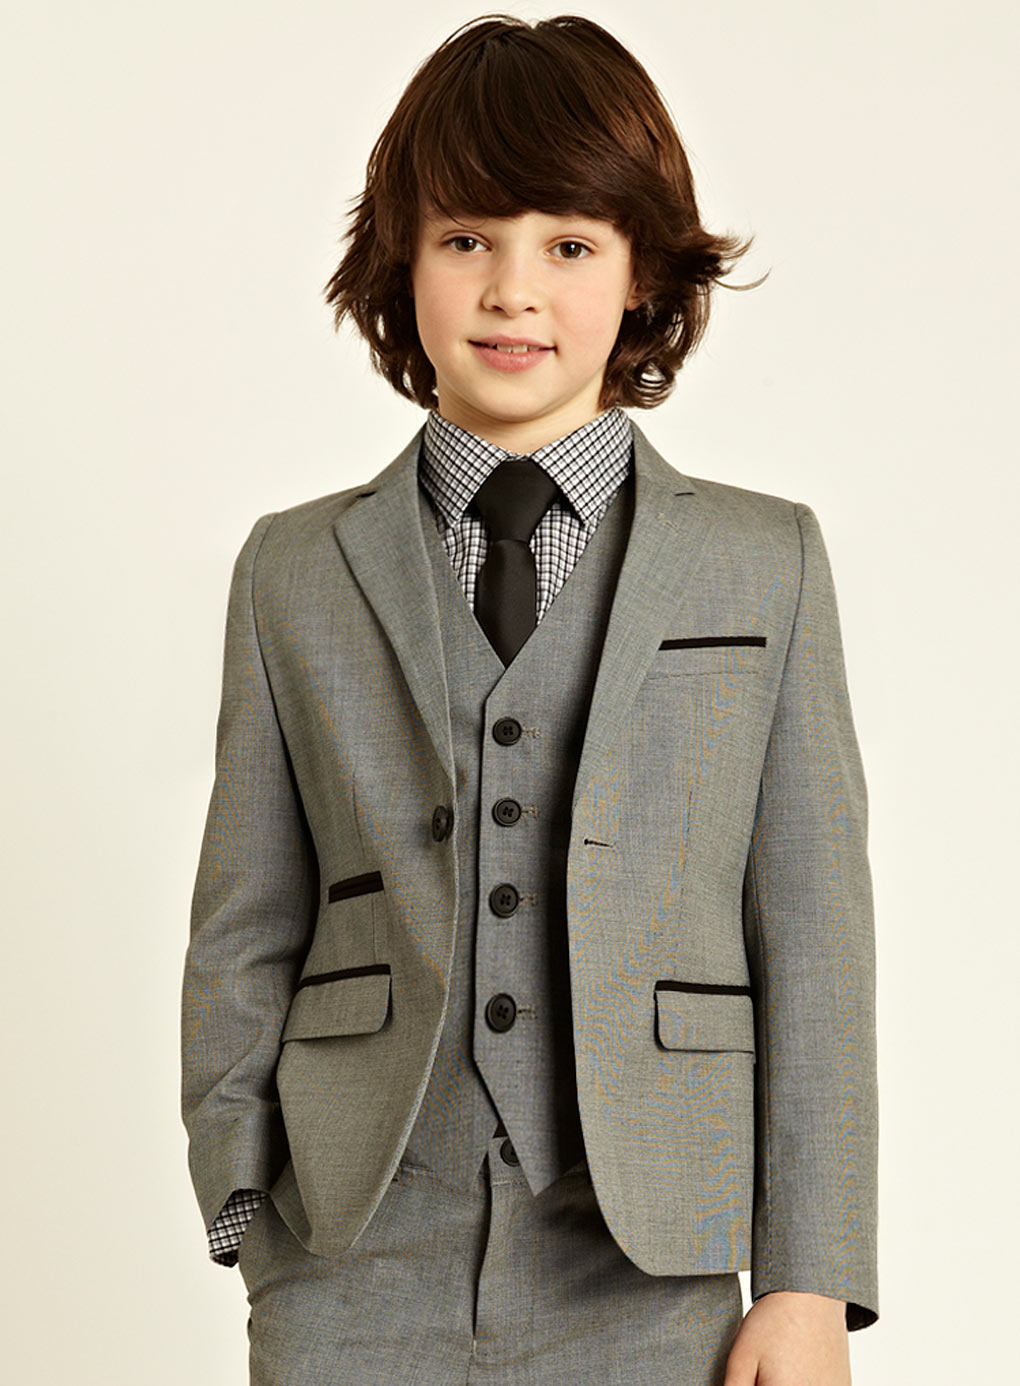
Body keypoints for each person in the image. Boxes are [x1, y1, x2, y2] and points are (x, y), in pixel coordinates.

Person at [180, 14, 878, 1386]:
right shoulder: (291, 570)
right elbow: (245, 915)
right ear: (401, 263)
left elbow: (814, 933)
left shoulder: (765, 560)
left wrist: (810, 1279)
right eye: (466, 240)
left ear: (642, 274)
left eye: (569, 246)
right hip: (350, 1255)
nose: (512, 291)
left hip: (654, 1264)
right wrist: (249, 1203)